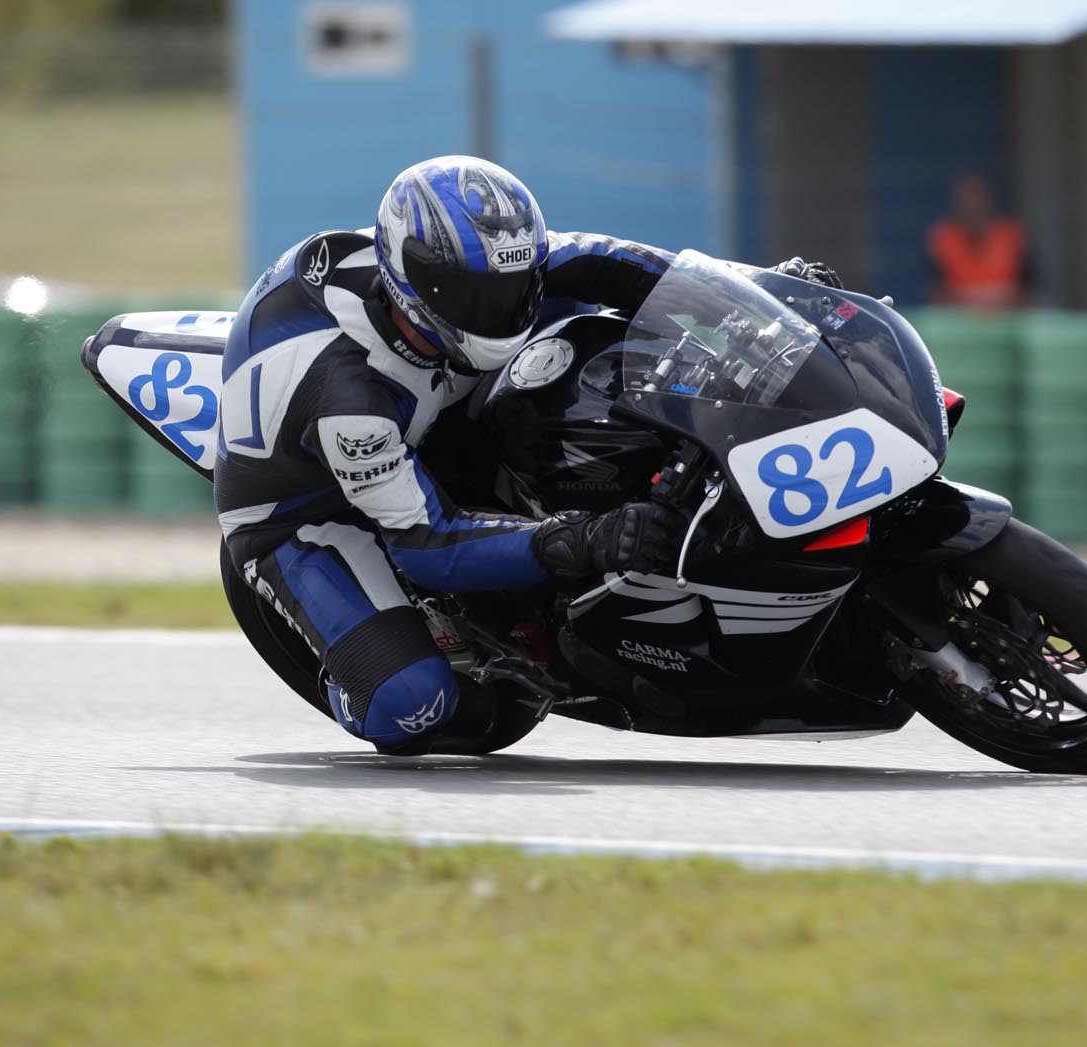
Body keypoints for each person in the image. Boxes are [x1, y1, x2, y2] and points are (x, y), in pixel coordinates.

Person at [215, 155, 841, 755]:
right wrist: (585, 540)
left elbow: (636, 268)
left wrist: (762, 296)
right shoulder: (353, 402)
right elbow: (424, 542)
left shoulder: (488, 267)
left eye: (521, 285)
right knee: (411, 704)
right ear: (417, 285)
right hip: (307, 510)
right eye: (482, 297)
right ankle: (359, 667)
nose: (510, 308)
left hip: (438, 406)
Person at [926, 173, 1035, 309]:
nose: (973, 204)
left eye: (977, 196)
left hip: (1008, 322)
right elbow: (935, 293)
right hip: (958, 323)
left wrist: (999, 302)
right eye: (967, 197)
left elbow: (1031, 290)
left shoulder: (1012, 236)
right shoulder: (943, 238)